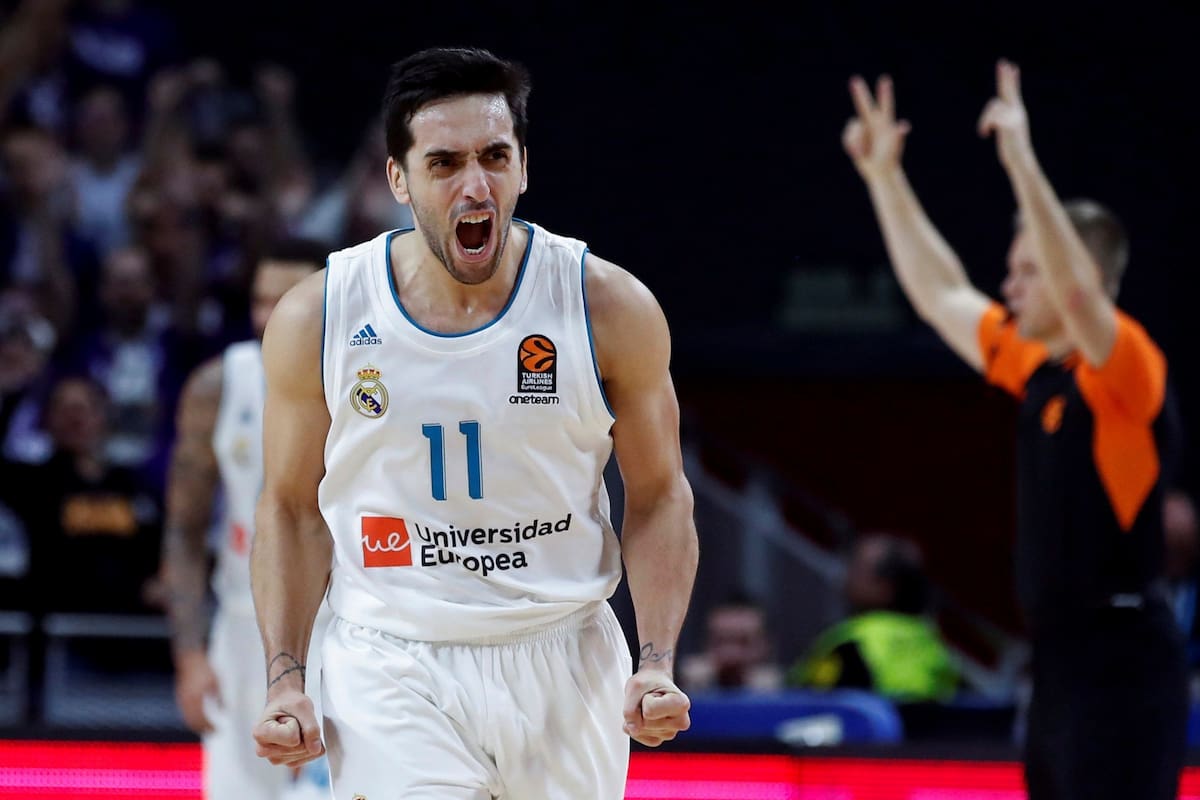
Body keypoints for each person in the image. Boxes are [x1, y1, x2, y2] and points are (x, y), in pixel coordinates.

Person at [250, 47, 698, 799]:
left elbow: (659, 495)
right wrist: (286, 678)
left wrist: (656, 661)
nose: (475, 185)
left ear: (523, 167)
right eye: (444, 163)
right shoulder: (320, 316)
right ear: (398, 179)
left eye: (494, 157)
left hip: (565, 655)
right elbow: (291, 507)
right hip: (391, 656)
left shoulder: (608, 307)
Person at [843, 60, 1187, 798]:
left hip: (1124, 666)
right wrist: (884, 178)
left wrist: (1023, 163)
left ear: (1072, 272)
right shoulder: (1038, 368)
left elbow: (1079, 293)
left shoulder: (1127, 374)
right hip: (1059, 663)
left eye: (1027, 270)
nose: (1010, 286)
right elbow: (941, 293)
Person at [161, 238, 332, 800]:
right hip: (241, 628)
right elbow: (184, 531)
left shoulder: (367, 385)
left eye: (286, 300)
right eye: (261, 300)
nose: (269, 316)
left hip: (342, 625)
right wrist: (190, 656)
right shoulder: (218, 386)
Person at [787, 533, 958, 703]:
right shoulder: (930, 639)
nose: (845, 576)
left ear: (885, 586)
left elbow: (807, 703)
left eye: (856, 568)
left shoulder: (853, 644)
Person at [678, 593, 784, 692]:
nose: (730, 653)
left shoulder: (785, 686)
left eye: (743, 642)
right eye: (720, 642)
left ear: (765, 645)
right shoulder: (680, 684)